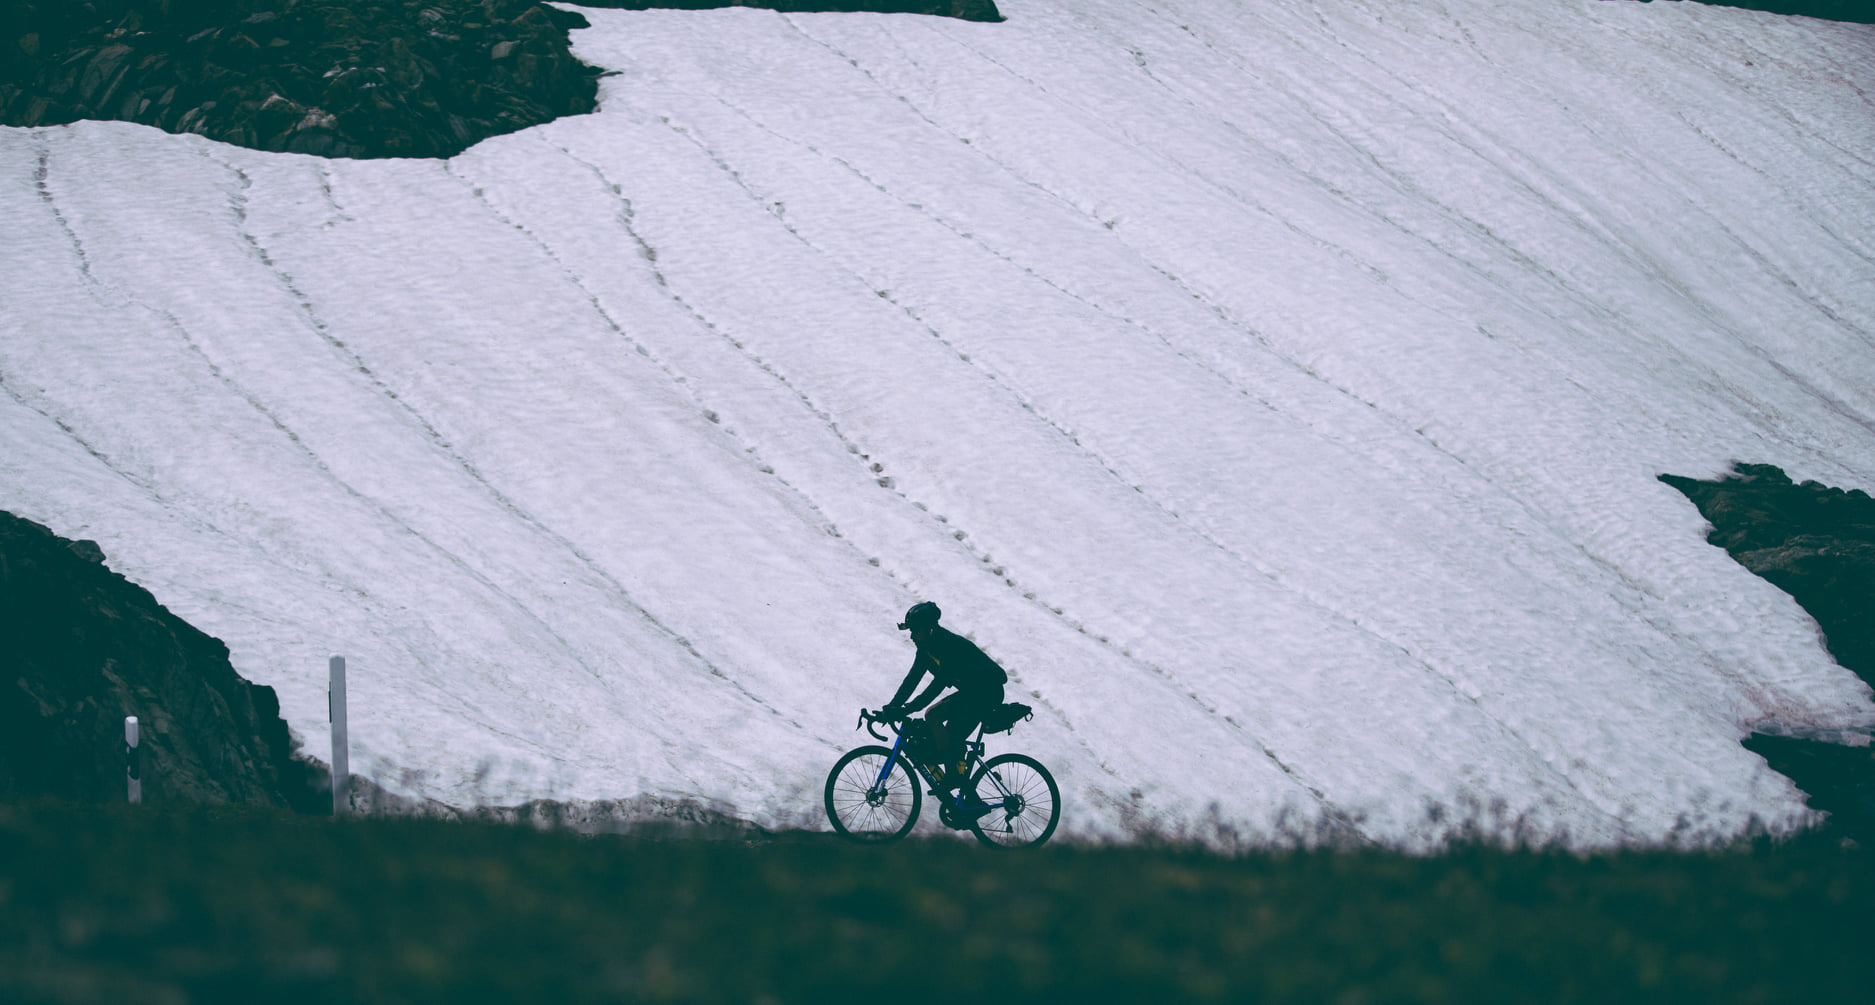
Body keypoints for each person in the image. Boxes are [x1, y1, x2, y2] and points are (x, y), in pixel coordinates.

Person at [878, 601, 1008, 792]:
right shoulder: (925, 649)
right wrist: (892, 707)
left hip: (986, 692)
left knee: (933, 716)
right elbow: (912, 679)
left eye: (916, 631)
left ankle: (954, 777)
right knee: (946, 738)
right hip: (972, 693)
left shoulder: (947, 644)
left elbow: (938, 685)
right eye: (910, 631)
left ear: (929, 629)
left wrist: (909, 708)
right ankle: (966, 798)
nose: (912, 636)